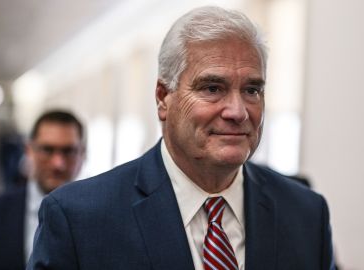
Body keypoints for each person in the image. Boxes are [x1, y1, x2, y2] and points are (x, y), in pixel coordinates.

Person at [28, 6, 335, 270]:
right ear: (163, 98)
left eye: (251, 90)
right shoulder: (79, 218)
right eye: (212, 88)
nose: (238, 111)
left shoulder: (306, 214)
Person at [0, 110, 86, 270]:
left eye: (68, 151)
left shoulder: (99, 221)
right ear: (29, 150)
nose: (58, 163)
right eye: (47, 150)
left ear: (82, 153)